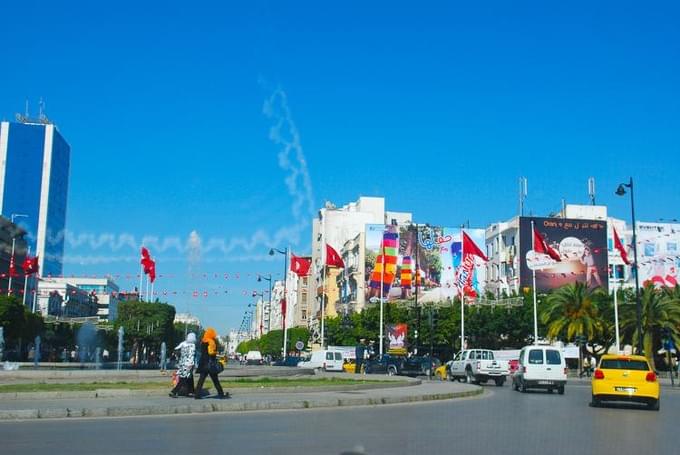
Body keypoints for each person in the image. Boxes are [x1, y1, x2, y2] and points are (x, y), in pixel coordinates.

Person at [194, 327, 228, 399]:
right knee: (215, 380)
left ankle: (197, 395)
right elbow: (211, 353)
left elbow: (203, 352)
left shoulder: (203, 341)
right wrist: (216, 352)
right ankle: (221, 394)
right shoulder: (211, 342)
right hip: (210, 363)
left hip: (203, 363)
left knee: (201, 380)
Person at [169, 333, 197, 398]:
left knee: (190, 378)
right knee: (183, 379)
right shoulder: (192, 345)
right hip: (188, 364)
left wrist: (179, 356)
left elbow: (176, 349)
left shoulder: (183, 343)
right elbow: (191, 355)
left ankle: (191, 391)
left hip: (182, 363)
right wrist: (191, 364)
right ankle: (174, 391)